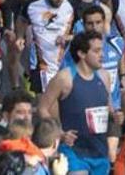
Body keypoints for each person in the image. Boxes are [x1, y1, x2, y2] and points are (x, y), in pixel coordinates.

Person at [39, 30, 117, 174]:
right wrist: (59, 133)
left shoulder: (104, 76)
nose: (102, 55)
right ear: (81, 54)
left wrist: (116, 116)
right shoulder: (65, 78)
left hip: (99, 151)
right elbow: (42, 108)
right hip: (73, 150)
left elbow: (109, 109)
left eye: (102, 50)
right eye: (97, 51)